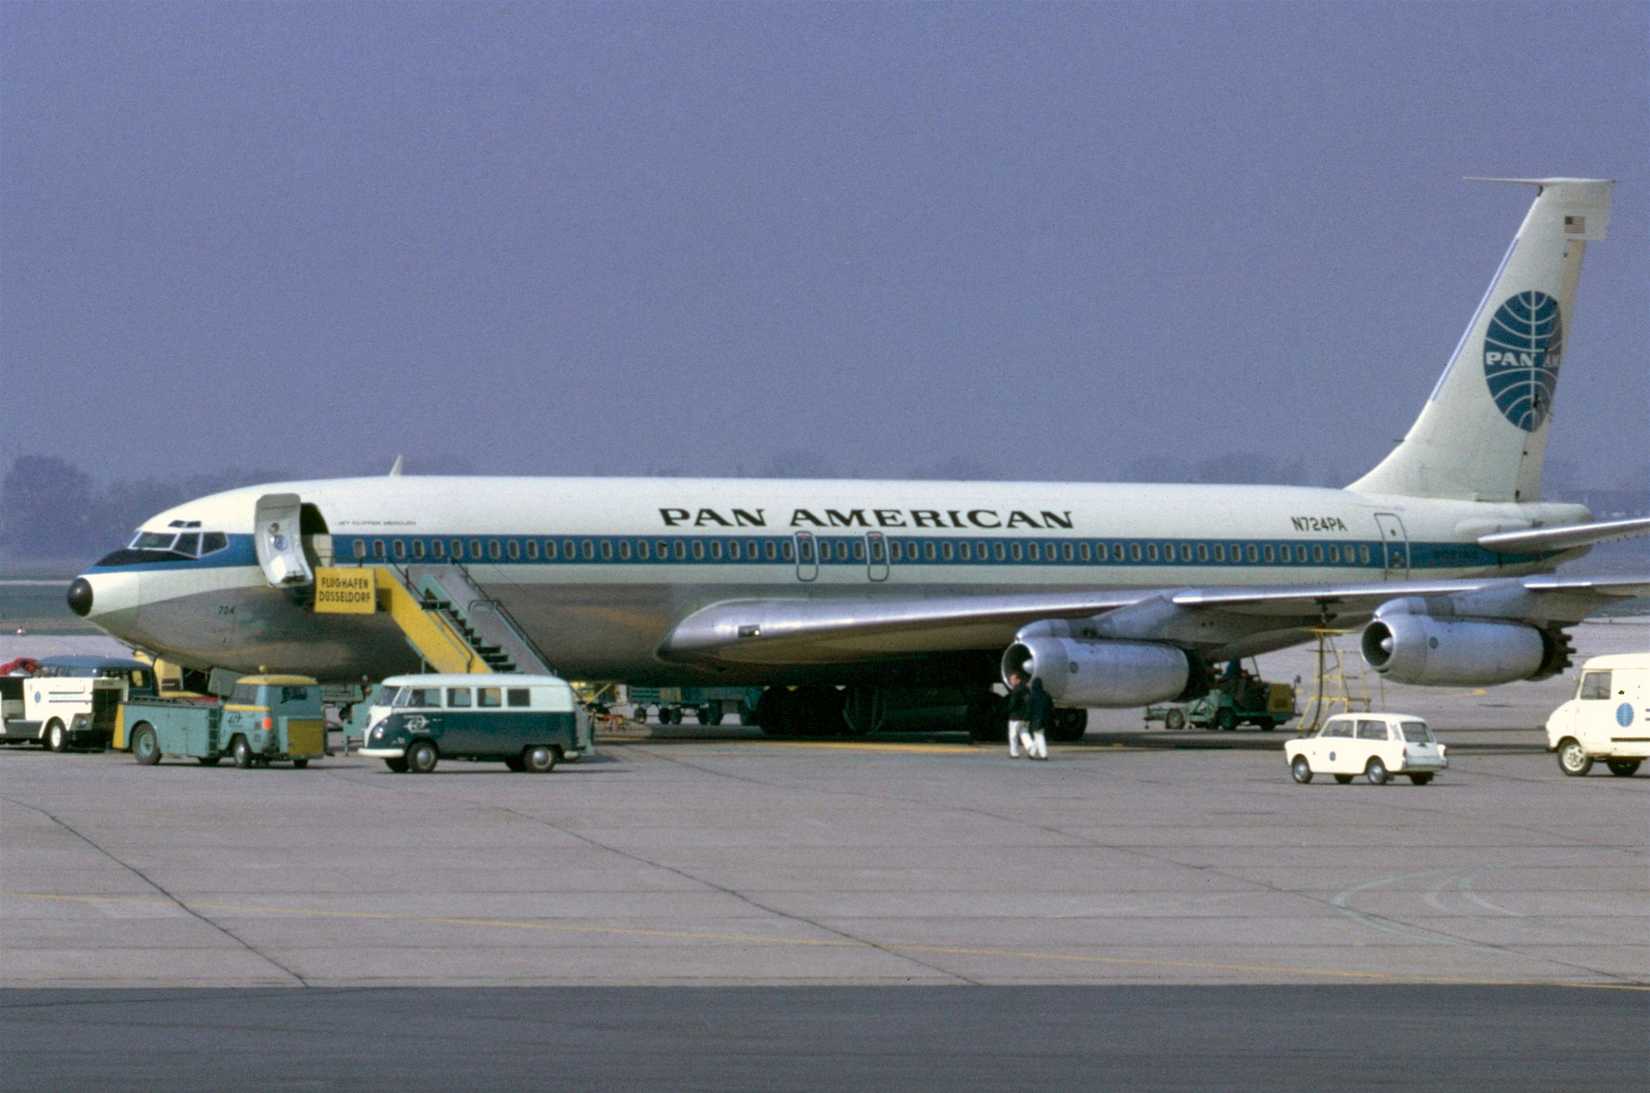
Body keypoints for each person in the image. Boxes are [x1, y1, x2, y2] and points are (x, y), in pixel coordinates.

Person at [1004, 671, 1032, 758]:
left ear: (1017, 679)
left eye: (1012, 679)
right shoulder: (1027, 689)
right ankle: (1031, 747)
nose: (1010, 681)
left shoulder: (1016, 690)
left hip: (1015, 717)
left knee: (1013, 735)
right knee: (1024, 733)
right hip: (1025, 717)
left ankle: (1014, 753)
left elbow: (1013, 703)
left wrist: (1008, 710)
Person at [1027, 676, 1054, 760]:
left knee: (1039, 736)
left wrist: (1027, 718)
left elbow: (1029, 709)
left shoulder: (1032, 696)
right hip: (1045, 719)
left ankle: (1044, 754)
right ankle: (1032, 753)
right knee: (1038, 736)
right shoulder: (1046, 695)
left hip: (1035, 719)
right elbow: (1051, 707)